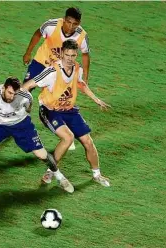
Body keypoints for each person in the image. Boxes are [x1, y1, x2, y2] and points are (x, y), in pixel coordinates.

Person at [22, 39, 111, 188]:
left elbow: (81, 84)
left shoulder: (77, 68)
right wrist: (19, 101)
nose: (70, 59)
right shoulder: (52, 71)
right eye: (67, 55)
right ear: (62, 53)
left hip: (69, 110)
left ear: (76, 55)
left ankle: (97, 175)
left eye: (73, 55)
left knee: (88, 142)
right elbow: (28, 85)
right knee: (68, 138)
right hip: (50, 110)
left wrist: (96, 99)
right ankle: (51, 171)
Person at [0, 77, 74, 193]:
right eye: (10, 93)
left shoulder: (25, 95)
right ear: (3, 88)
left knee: (41, 154)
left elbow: (29, 108)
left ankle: (60, 177)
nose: (12, 97)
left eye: (15, 94)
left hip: (21, 125)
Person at [23, 7, 90, 151]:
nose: (70, 26)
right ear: (64, 19)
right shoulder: (51, 25)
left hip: (61, 70)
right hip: (41, 62)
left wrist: (85, 76)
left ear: (79, 23)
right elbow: (37, 33)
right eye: (68, 22)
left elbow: (85, 54)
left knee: (61, 99)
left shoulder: (82, 36)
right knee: (25, 90)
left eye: (75, 24)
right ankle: (15, 119)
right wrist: (28, 52)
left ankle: (67, 135)